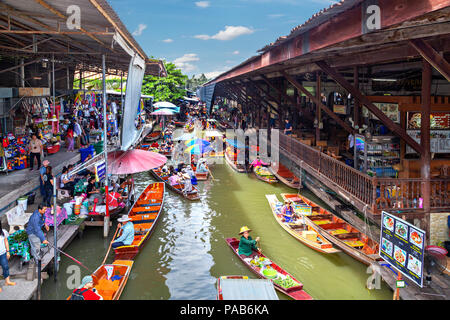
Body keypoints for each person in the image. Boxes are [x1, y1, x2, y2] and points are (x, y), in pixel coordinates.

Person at [0, 222, 16, 292]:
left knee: (5, 267)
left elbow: (6, 241)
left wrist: (8, 252)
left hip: (3, 253)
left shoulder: (3, 232)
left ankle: (7, 281)